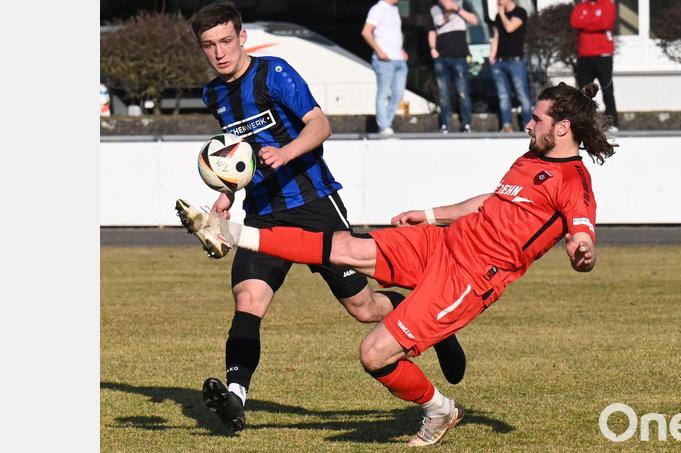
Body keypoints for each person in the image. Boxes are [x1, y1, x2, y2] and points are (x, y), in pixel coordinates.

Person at [177, 82, 616, 446]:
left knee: (373, 354)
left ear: (562, 127)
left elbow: (583, 235)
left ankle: (439, 410)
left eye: (536, 119)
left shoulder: (574, 182)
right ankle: (229, 233)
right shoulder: (531, 158)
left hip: (468, 279)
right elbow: (493, 201)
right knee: (345, 246)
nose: (528, 123)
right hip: (441, 243)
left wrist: (583, 252)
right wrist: (430, 215)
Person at [184, 1, 465, 434]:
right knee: (248, 300)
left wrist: (286, 152)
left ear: (242, 38)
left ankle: (432, 324)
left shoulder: (274, 73)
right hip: (263, 216)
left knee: (364, 308)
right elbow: (238, 158)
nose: (219, 52)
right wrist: (226, 195)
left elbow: (319, 125)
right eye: (209, 45)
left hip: (314, 206)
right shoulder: (213, 95)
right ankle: (236, 399)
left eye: (225, 41)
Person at [427, 0, 479, 133]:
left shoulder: (462, 3)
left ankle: (467, 124)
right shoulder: (434, 9)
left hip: (459, 56)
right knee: (443, 93)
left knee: (463, 92)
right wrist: (432, 48)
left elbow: (474, 21)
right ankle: (445, 124)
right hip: (441, 58)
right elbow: (431, 31)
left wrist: (456, 8)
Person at [570, 0, 620, 131]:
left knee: (607, 90)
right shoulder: (581, 6)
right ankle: (585, 122)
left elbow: (605, 24)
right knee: (584, 93)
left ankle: (612, 122)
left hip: (603, 55)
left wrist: (586, 23)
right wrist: (595, 22)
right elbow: (575, 22)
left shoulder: (608, 5)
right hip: (584, 55)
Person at [361, 0, 408, 136]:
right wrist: (379, 51)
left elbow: (393, 34)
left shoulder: (394, 9)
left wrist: (401, 50)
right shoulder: (378, 8)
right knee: (383, 93)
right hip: (384, 60)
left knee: (398, 94)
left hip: (399, 59)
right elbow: (366, 32)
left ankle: (386, 123)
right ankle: (384, 126)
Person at [489, 0, 531, 132]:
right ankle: (506, 125)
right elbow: (496, 36)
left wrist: (502, 14)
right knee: (503, 95)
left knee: (522, 94)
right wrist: (492, 56)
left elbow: (510, 28)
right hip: (499, 61)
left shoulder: (520, 12)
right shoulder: (498, 16)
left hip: (515, 61)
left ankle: (528, 125)